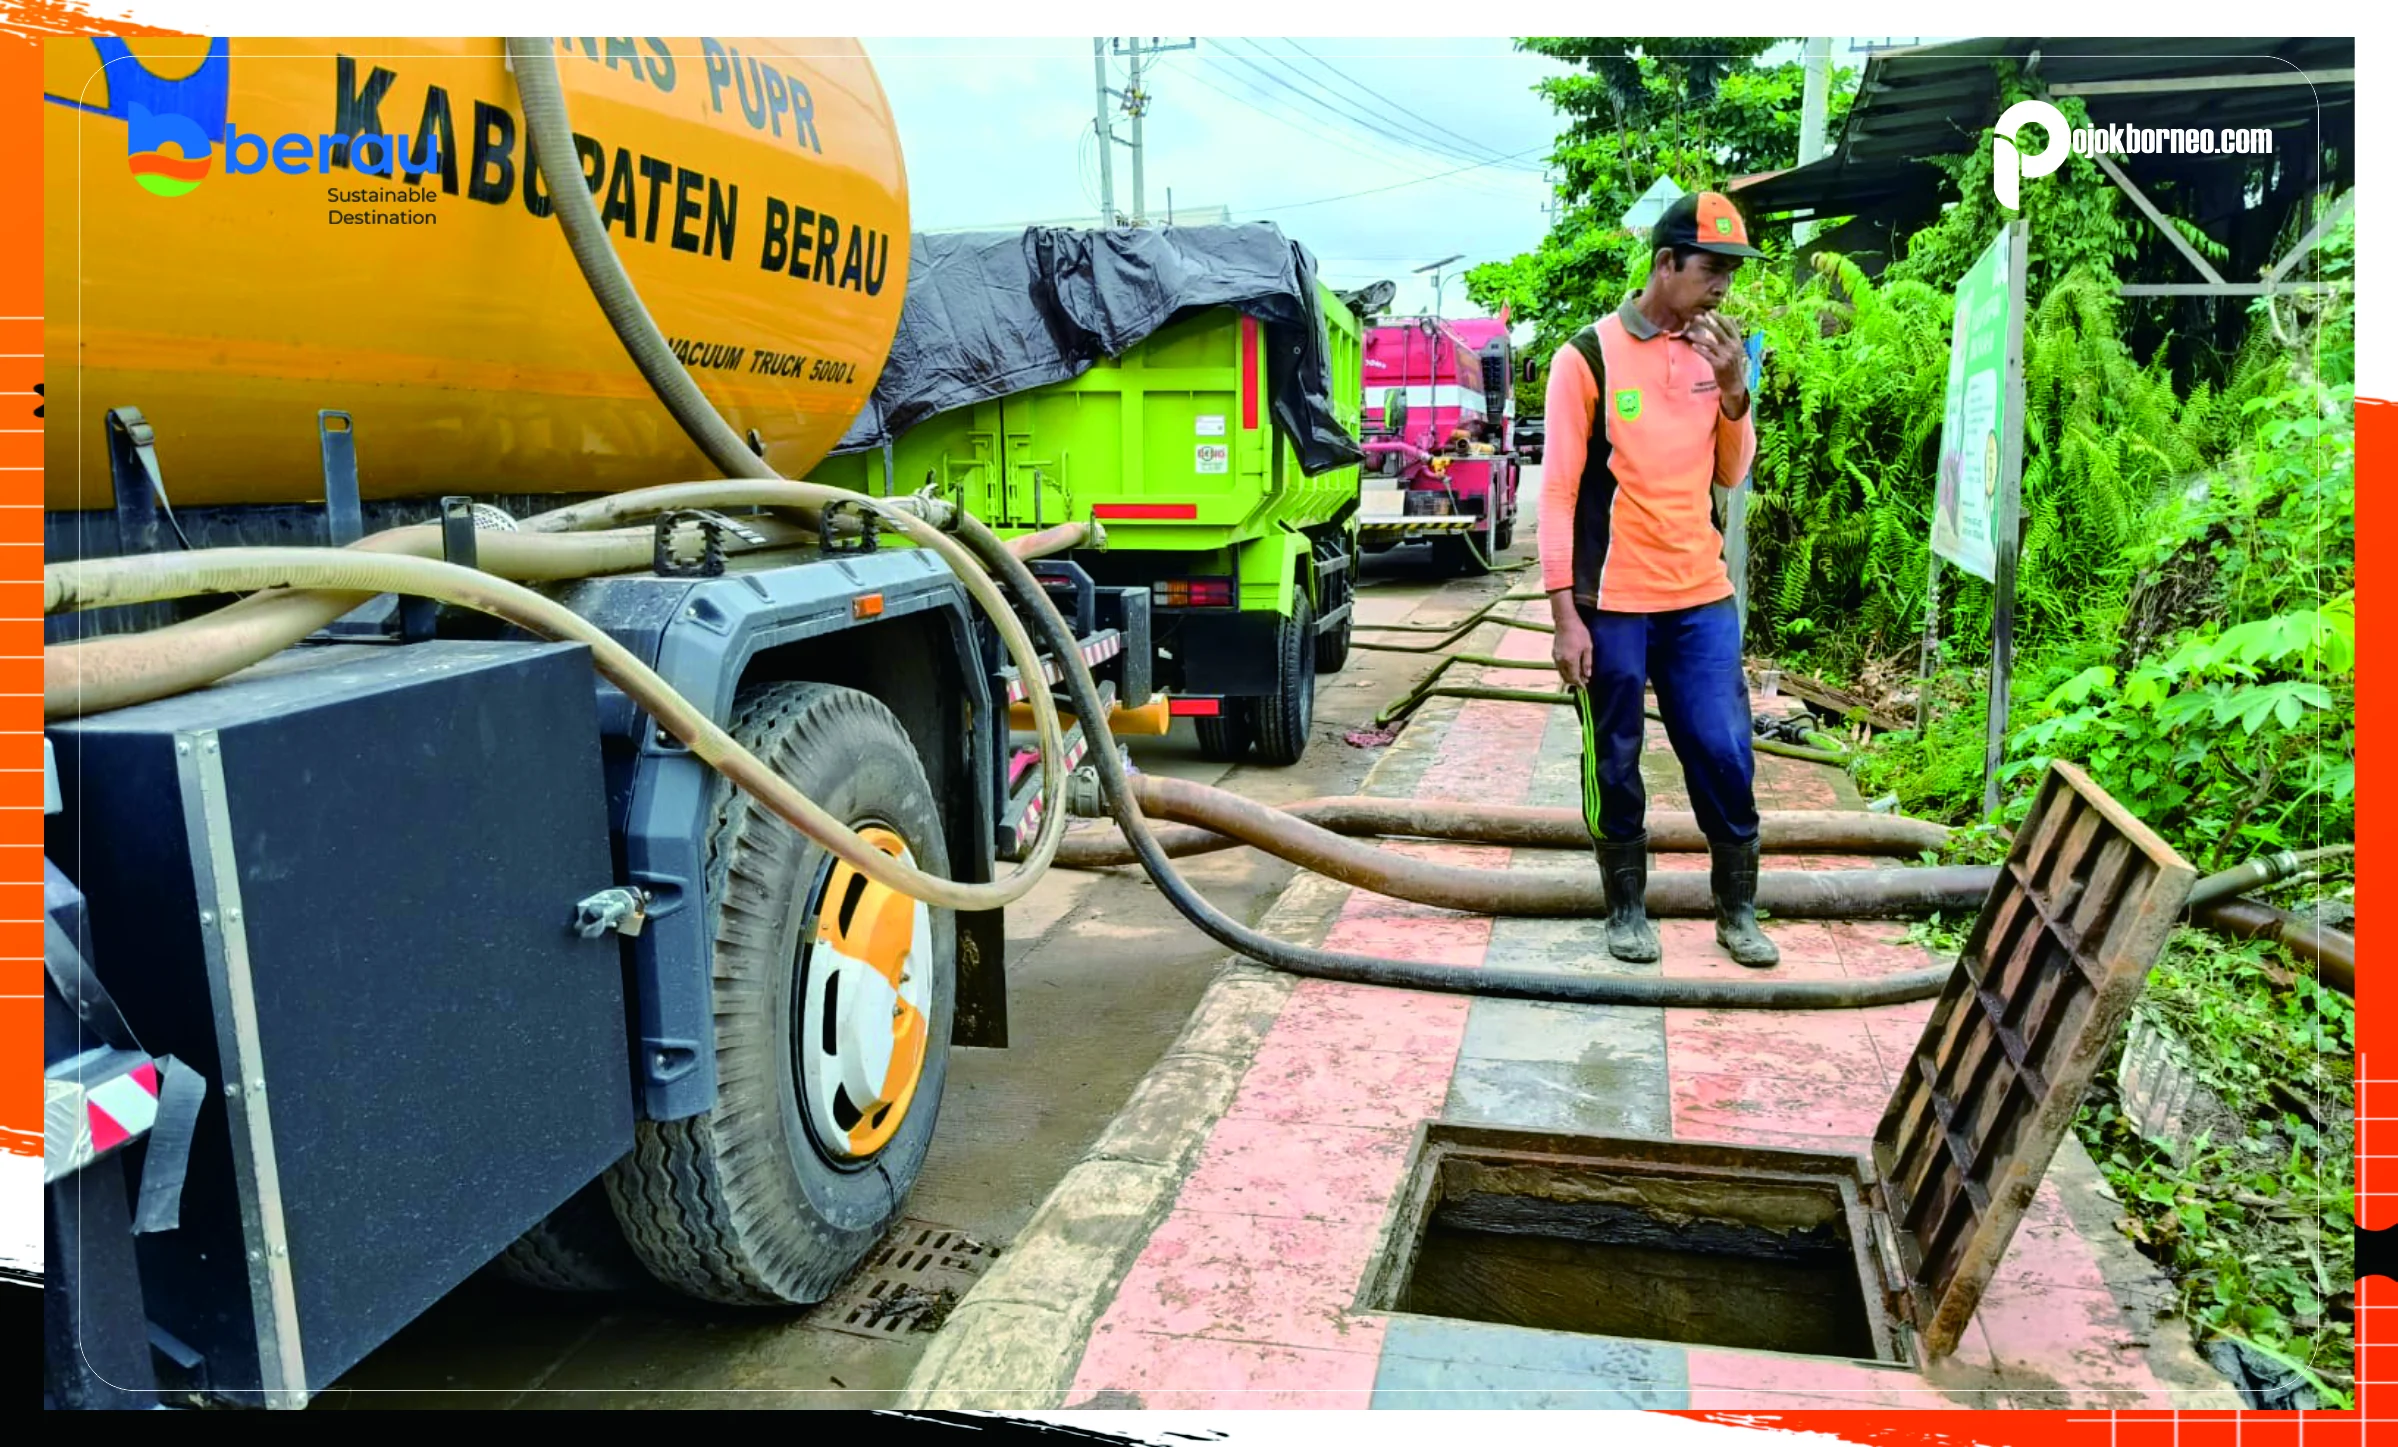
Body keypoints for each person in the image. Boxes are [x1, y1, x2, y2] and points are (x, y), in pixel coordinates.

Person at [1537, 190, 1778, 968]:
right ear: (1666, 262)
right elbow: (1558, 491)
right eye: (1712, 270)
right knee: (1615, 755)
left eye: (1732, 273)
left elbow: (1731, 474)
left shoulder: (1719, 355)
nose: (1723, 288)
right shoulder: (1588, 357)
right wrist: (1563, 615)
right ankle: (1626, 907)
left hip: (1700, 596)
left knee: (1723, 748)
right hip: (1610, 601)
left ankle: (1737, 910)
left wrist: (1736, 389)